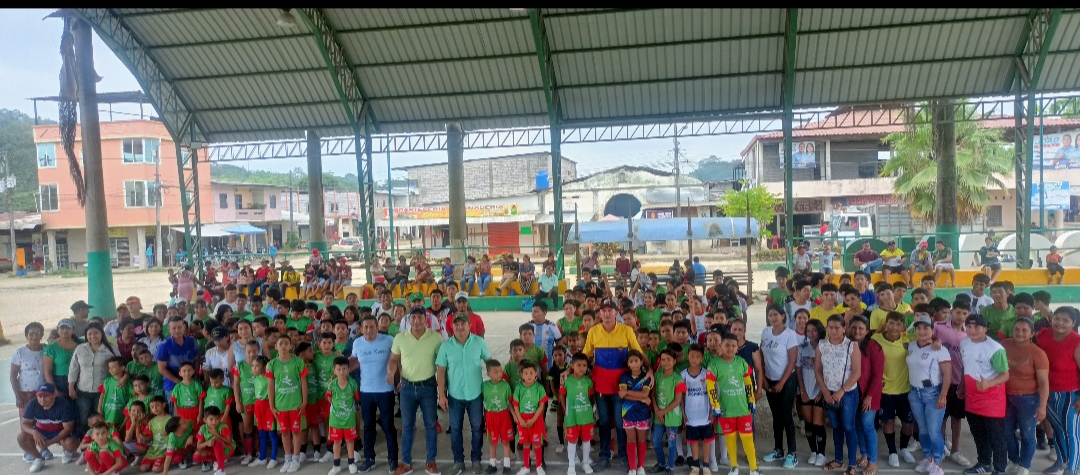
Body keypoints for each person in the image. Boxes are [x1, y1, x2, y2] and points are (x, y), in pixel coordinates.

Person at [582, 299, 643, 471]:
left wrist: (650, 371)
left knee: (621, 422)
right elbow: (585, 355)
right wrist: (570, 370)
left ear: (617, 313)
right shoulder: (593, 332)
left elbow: (638, 353)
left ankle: (623, 456)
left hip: (621, 387)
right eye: (604, 310)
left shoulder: (626, 331)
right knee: (604, 422)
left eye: (611, 310)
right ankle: (604, 456)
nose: (607, 314)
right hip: (600, 385)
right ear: (599, 313)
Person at [388, 306, 444, 475]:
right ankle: (406, 463)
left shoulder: (436, 338)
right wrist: (391, 372)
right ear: (408, 320)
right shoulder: (400, 338)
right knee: (407, 426)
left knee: (430, 425)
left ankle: (431, 461)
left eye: (421, 317)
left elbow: (441, 365)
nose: (417, 320)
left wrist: (442, 391)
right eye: (414, 317)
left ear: (426, 320)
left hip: (428, 387)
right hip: (407, 388)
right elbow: (393, 359)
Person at [437, 313, 493, 475]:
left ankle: (476, 460)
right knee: (455, 429)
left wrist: (495, 385)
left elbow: (490, 363)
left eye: (463, 324)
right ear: (452, 327)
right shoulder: (446, 346)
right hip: (455, 395)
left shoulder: (479, 342)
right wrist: (441, 395)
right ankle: (458, 462)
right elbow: (440, 371)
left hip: (476, 394)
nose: (460, 327)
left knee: (477, 428)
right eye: (456, 324)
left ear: (469, 326)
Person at [960, 314, 1010, 475]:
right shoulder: (964, 342)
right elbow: (966, 367)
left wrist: (988, 384)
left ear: (985, 329)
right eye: (969, 326)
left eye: (977, 326)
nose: (972, 330)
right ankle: (984, 463)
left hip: (991, 400)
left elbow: (1005, 375)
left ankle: (1000, 469)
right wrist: (962, 386)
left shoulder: (995, 349)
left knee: (996, 436)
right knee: (978, 434)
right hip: (972, 398)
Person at [349, 315, 398, 473]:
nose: (369, 330)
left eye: (372, 327)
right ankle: (369, 459)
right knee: (368, 427)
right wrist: (339, 372)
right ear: (361, 329)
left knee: (388, 426)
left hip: (386, 391)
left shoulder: (388, 340)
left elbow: (396, 360)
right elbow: (355, 361)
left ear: (377, 327)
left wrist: (397, 378)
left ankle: (393, 459)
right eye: (366, 327)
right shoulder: (357, 343)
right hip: (366, 392)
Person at [1036, 306, 1080, 475]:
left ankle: (1072, 468)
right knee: (1058, 429)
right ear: (1051, 319)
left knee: (1072, 433)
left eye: (1066, 320)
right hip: (1047, 393)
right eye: (1057, 318)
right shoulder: (1043, 335)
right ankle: (1061, 462)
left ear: (1073, 323)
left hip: (1070, 395)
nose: (1060, 323)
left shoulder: (1076, 341)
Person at [906, 316, 953, 475]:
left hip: (933, 393)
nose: (922, 331)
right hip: (915, 392)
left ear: (933, 330)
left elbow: (947, 375)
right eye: (919, 328)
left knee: (934, 431)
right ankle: (928, 458)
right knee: (923, 430)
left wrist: (943, 395)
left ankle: (938, 463)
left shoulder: (940, 349)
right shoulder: (911, 345)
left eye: (926, 328)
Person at [1002, 318, 1049, 475]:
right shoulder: (1004, 345)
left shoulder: (1038, 353)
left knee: (1027, 434)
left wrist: (1042, 406)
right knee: (1007, 432)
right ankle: (1013, 460)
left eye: (1024, 330)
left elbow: (1043, 382)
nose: (1019, 333)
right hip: (1005, 397)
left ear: (1032, 333)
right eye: (1017, 329)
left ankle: (1024, 465)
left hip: (1028, 400)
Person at [816, 315, 861, 473]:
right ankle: (838, 460)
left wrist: (841, 391)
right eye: (831, 327)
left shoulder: (851, 346)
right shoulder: (822, 345)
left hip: (847, 394)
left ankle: (852, 464)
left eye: (837, 328)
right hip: (829, 393)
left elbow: (856, 372)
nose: (834, 331)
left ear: (844, 329)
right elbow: (817, 370)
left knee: (849, 427)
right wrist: (824, 391)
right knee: (836, 427)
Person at [760, 304, 800, 468]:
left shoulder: (789, 335)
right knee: (776, 416)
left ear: (783, 316)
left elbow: (792, 360)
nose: (772, 318)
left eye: (775, 315)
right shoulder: (766, 332)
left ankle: (792, 453)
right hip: (770, 380)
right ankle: (778, 449)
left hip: (786, 381)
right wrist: (763, 379)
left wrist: (782, 382)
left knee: (786, 416)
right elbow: (762, 356)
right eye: (770, 315)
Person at [69, 322, 120, 441]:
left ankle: (103, 444)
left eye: (96, 333)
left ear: (101, 333)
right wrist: (71, 387)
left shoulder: (110, 348)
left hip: (103, 392)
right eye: (90, 334)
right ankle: (86, 445)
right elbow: (73, 368)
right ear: (86, 335)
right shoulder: (80, 348)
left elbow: (119, 365)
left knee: (101, 419)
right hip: (83, 391)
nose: (93, 336)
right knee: (84, 419)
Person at [847, 316, 881, 475]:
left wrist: (869, 396)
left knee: (867, 425)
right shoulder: (847, 344)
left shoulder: (874, 347)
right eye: (854, 327)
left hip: (870, 394)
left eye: (861, 328)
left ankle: (873, 462)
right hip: (853, 393)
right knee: (857, 425)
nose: (857, 331)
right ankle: (865, 455)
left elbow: (877, 375)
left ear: (867, 331)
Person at [19, 383, 79, 472]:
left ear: (54, 394)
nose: (42, 399)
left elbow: (68, 429)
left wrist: (50, 442)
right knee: (22, 438)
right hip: (41, 431)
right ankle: (38, 458)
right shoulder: (32, 404)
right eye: (40, 396)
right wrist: (34, 432)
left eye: (46, 396)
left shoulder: (64, 404)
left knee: (71, 443)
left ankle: (69, 451)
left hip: (60, 431)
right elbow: (24, 423)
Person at [796, 320, 826, 466]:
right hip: (806, 391)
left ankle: (821, 453)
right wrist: (802, 391)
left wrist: (822, 392)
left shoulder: (826, 347)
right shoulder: (802, 348)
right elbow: (798, 370)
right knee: (808, 423)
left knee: (817, 423)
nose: (811, 333)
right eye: (808, 331)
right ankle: (813, 451)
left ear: (820, 330)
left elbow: (828, 372)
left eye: (814, 330)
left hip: (820, 391)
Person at [326, 356, 360, 475]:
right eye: (339, 369)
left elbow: (356, 399)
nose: (342, 372)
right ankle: (336, 465)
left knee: (350, 441)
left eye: (344, 369)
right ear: (334, 370)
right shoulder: (331, 385)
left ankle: (351, 463)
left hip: (349, 419)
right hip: (335, 420)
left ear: (349, 369)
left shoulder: (353, 384)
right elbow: (329, 399)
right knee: (337, 442)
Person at [157, 317, 200, 407]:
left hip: (191, 382)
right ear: (169, 329)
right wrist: (178, 381)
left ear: (184, 327)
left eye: (179, 327)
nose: (177, 330)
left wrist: (195, 375)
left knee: (193, 408)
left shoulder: (191, 341)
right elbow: (161, 368)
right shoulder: (164, 345)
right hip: (172, 385)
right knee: (175, 411)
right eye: (174, 328)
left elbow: (197, 359)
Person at [483, 359, 515, 475]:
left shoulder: (506, 386)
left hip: (504, 416)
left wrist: (514, 415)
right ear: (488, 374)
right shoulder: (484, 386)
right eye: (495, 372)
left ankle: (507, 466)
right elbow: (483, 401)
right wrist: (484, 418)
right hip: (491, 416)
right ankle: (492, 465)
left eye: (500, 371)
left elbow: (509, 402)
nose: (499, 374)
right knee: (492, 441)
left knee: (506, 441)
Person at [12, 322, 46, 418]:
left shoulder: (47, 349)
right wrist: (18, 396)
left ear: (42, 335)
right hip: (25, 393)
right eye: (31, 334)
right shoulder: (19, 352)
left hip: (44, 393)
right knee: (27, 420)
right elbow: (13, 376)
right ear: (26, 336)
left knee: (43, 420)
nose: (34, 336)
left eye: (38, 333)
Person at [43, 319, 79, 396]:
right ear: (57, 329)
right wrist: (54, 390)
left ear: (73, 330)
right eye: (62, 328)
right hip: (61, 383)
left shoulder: (81, 343)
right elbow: (47, 372)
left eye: (68, 328)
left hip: (80, 381)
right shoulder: (50, 348)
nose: (65, 330)